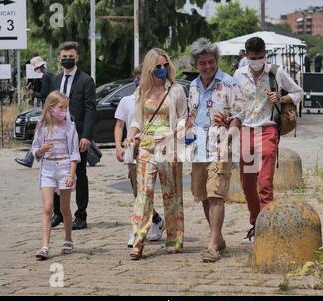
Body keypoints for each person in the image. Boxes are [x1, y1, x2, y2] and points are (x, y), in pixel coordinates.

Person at [233, 37, 303, 243]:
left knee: (265, 183)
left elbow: (298, 92)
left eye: (261, 57)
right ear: (246, 55)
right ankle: (256, 222)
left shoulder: (275, 72)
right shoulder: (238, 75)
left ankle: (267, 229)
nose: (257, 61)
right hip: (246, 130)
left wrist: (281, 99)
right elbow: (233, 101)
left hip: (268, 130)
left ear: (266, 54)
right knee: (247, 183)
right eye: (253, 58)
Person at [187, 38, 244, 262]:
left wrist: (229, 136)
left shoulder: (229, 83)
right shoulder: (192, 86)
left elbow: (238, 115)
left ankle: (212, 245)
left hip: (221, 145)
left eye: (211, 61)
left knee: (216, 193)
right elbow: (190, 115)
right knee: (203, 194)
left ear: (217, 60)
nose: (208, 66)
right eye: (203, 63)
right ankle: (217, 237)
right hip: (198, 146)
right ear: (196, 64)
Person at [127, 48, 187, 260]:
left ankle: (174, 238)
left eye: (165, 66)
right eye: (157, 67)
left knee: (171, 193)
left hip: (169, 148)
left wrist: (171, 134)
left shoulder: (176, 90)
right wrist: (132, 135)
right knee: (144, 194)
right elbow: (136, 120)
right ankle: (139, 240)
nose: (162, 70)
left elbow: (184, 119)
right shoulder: (141, 91)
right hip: (146, 147)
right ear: (149, 69)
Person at [113, 63, 165, 247]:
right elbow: (119, 125)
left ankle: (141, 228)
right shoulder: (127, 100)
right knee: (138, 192)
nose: (138, 81)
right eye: (136, 77)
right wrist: (119, 146)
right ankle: (155, 220)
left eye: (141, 77)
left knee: (147, 191)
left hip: (153, 149)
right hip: (132, 151)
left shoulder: (156, 99)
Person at [50, 41, 96, 230]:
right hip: (56, 133)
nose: (67, 59)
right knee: (55, 171)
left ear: (77, 57)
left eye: (71, 56)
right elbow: (48, 107)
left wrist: (86, 136)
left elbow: (90, 109)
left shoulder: (86, 80)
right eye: (64, 57)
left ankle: (81, 215)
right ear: (59, 58)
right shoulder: (55, 80)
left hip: (77, 134)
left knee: (79, 172)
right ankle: (58, 213)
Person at [31, 91, 81, 260]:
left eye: (66, 107)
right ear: (51, 108)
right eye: (61, 107)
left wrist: (71, 175)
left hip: (65, 166)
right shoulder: (42, 126)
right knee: (47, 207)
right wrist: (40, 150)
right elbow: (35, 150)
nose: (64, 111)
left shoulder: (69, 126)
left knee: (64, 208)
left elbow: (74, 153)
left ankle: (68, 238)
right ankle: (44, 245)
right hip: (48, 167)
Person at [15, 56, 55, 168]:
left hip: (49, 109)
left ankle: (28, 159)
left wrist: (31, 93)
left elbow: (44, 94)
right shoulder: (51, 74)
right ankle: (28, 159)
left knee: (39, 133)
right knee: (41, 133)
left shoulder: (46, 77)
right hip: (51, 108)